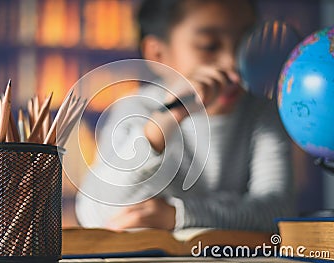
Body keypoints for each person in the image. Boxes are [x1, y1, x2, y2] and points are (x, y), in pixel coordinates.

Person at [75, 0, 295, 232]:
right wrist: (161, 125)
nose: (233, 62)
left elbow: (278, 210)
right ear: (158, 53)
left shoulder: (263, 113)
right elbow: (97, 213)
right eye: (209, 46)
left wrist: (177, 215)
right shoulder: (135, 109)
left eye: (246, 45)